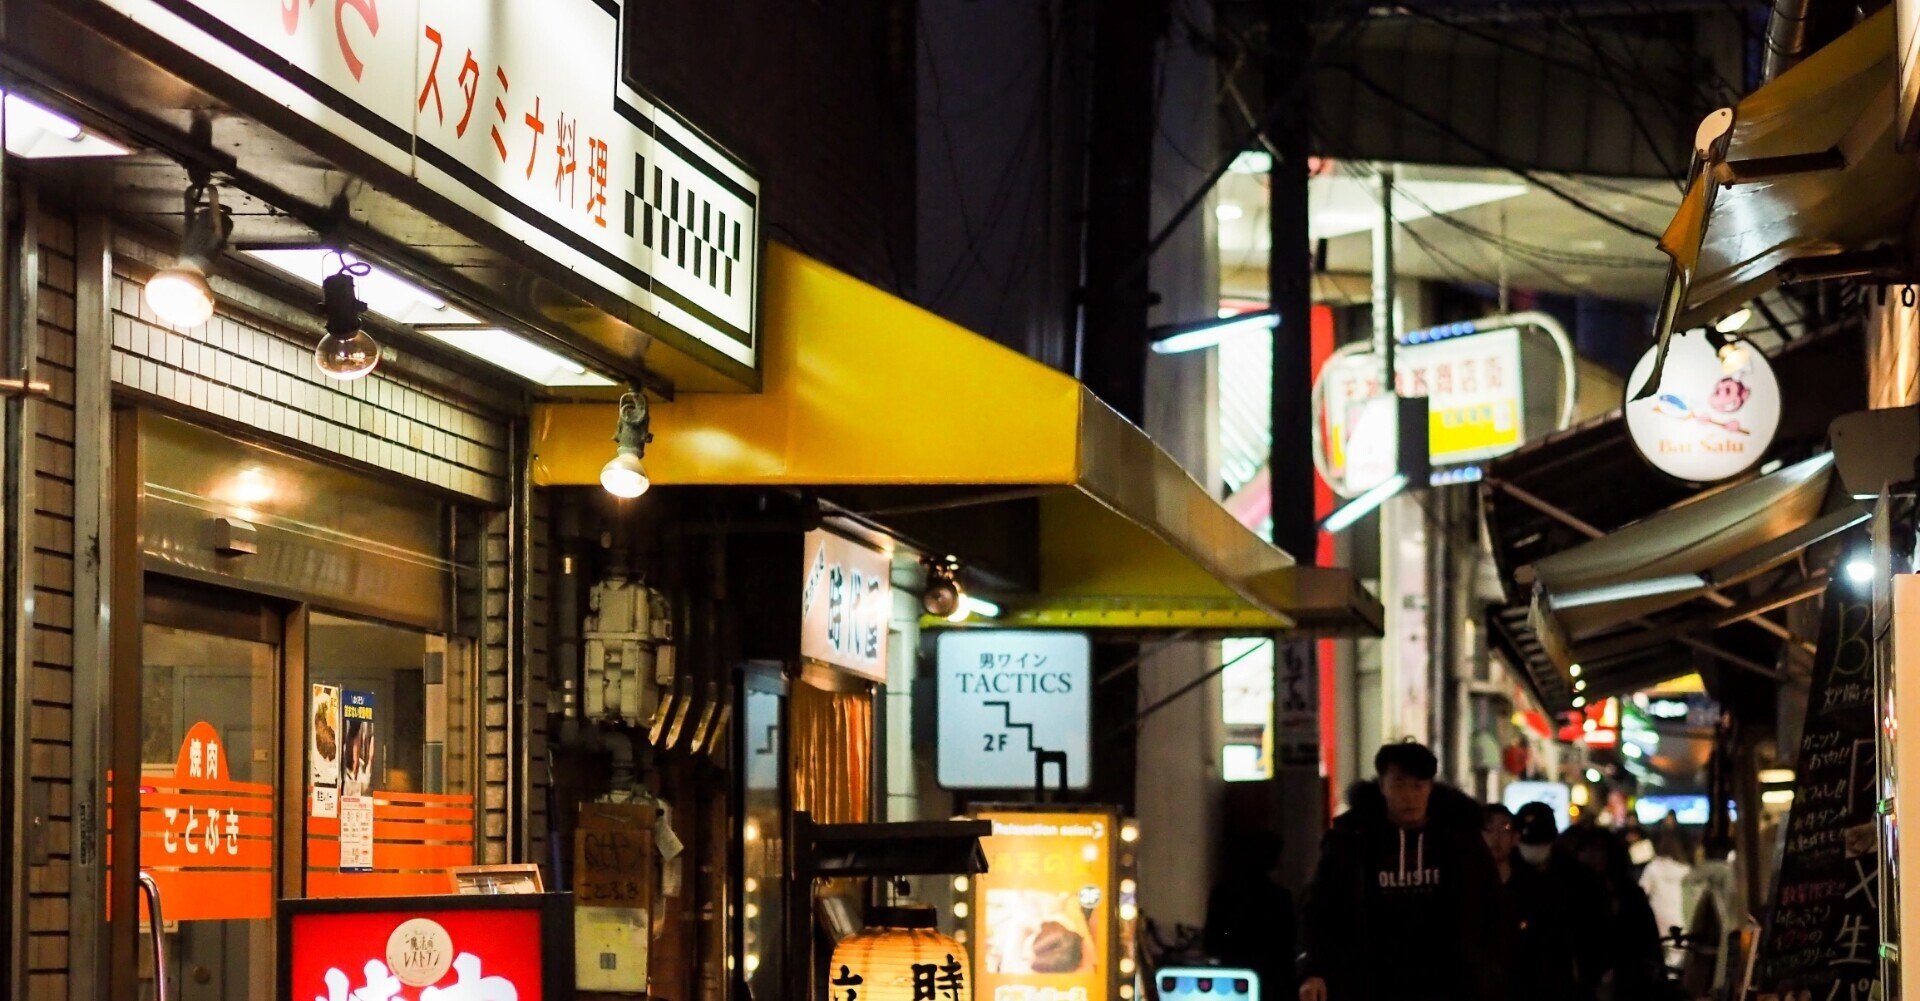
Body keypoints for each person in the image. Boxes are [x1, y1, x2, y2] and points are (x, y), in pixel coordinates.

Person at [1299, 741, 1507, 1001]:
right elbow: (1321, 907)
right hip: (1369, 982)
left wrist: (1489, 974)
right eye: (1398, 785)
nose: (1409, 796)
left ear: (1430, 787)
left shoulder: (1460, 841)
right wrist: (1314, 970)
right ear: (1382, 786)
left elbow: (1491, 906)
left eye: (1418, 786)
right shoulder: (1353, 841)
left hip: (1448, 983)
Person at [1561, 826, 1666, 1001]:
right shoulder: (1575, 897)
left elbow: (1646, 942)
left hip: (1629, 982)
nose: (1593, 857)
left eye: (1598, 851)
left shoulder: (1629, 895)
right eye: (1586, 851)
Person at [1206, 829, 1296, 996]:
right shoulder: (1280, 897)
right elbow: (1286, 948)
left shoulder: (1223, 894)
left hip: (1231, 979)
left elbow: (1213, 940)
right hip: (1271, 981)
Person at [1639, 829, 1694, 968]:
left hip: (1658, 914)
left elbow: (1642, 891)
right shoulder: (1686, 870)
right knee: (1677, 953)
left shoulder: (1653, 868)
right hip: (1680, 914)